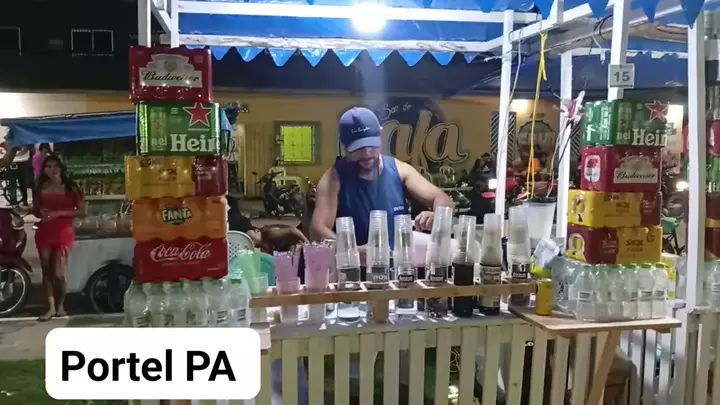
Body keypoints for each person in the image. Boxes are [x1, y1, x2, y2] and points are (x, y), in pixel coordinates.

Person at [310, 107, 452, 253]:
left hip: (398, 264)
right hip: (354, 265)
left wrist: (437, 216)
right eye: (358, 148)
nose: (367, 153)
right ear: (344, 145)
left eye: (371, 144)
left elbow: (441, 198)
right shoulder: (333, 180)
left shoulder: (400, 170)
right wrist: (353, 251)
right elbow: (317, 231)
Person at [33, 154, 85, 321]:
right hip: (44, 231)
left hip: (63, 232)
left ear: (61, 168)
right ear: (44, 170)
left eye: (55, 166)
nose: (52, 170)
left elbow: (82, 211)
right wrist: (40, 212)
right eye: (48, 167)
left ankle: (61, 305)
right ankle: (50, 307)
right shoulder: (41, 188)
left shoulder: (71, 188)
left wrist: (60, 213)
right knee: (46, 270)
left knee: (58, 272)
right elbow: (35, 210)